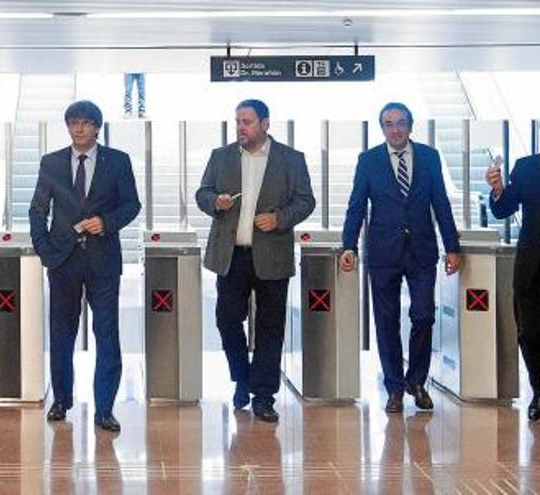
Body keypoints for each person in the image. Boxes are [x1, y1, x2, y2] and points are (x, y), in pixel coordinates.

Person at [196, 98, 315, 423]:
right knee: (227, 319)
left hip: (272, 254)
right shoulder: (221, 157)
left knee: (270, 326)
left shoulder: (291, 159)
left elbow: (306, 201)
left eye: (246, 121)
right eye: (237, 121)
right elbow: (201, 193)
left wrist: (280, 219)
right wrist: (215, 203)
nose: (240, 128)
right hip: (230, 256)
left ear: (264, 124)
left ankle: (264, 395)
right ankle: (242, 377)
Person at [341, 102, 460, 413]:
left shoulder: (430, 157)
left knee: (423, 316)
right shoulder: (369, 160)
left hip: (421, 250)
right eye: (389, 124)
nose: (395, 129)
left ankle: (416, 381)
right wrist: (348, 246)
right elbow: (356, 206)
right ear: (382, 128)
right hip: (383, 252)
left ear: (410, 125)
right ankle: (394, 387)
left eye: (401, 123)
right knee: (386, 321)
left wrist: (452, 247)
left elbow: (441, 203)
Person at [29, 100, 141, 432]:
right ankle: (61, 400)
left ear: (97, 127)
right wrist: (45, 251)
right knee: (61, 334)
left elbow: (132, 204)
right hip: (62, 261)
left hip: (103, 261)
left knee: (107, 334)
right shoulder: (51, 162)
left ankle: (104, 408)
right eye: (73, 122)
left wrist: (106, 222)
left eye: (85, 122)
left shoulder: (118, 161)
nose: (78, 128)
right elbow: (37, 210)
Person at [487, 154, 540, 421]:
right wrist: (497, 190)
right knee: (530, 332)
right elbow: (503, 209)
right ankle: (538, 390)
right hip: (533, 265)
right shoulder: (527, 167)